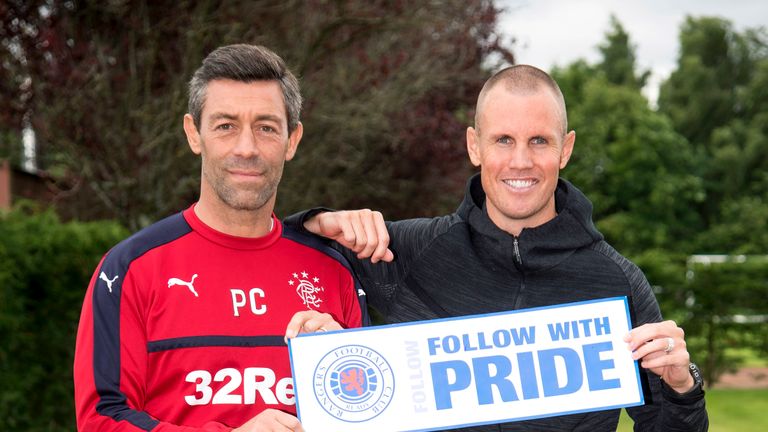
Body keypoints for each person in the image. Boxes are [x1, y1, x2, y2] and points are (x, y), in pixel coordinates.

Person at [285, 65, 708, 431]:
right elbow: (274, 246)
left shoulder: (617, 282)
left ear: (566, 149)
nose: (520, 160)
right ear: (475, 145)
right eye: (503, 139)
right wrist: (317, 222)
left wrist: (682, 385)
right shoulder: (407, 252)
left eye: (539, 141)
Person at [73, 44, 367, 432]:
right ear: (194, 134)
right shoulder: (129, 270)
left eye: (266, 128)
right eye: (225, 126)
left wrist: (343, 360)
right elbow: (101, 420)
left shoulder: (333, 271)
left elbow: (366, 414)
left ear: (292, 140)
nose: (246, 148)